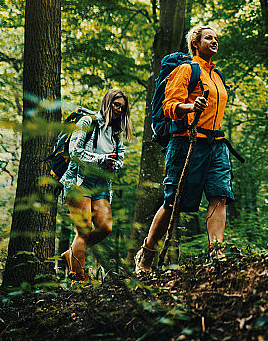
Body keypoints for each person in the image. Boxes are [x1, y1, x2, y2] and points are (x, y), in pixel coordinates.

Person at [134, 24, 234, 273]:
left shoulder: (217, 75)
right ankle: (146, 253)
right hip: (186, 142)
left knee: (219, 194)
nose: (214, 41)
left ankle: (216, 252)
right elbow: (169, 105)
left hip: (216, 144)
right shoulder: (186, 69)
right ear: (195, 44)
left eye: (216, 38)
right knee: (173, 202)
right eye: (208, 38)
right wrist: (190, 108)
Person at [60, 89, 133, 280]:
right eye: (116, 104)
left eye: (122, 107)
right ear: (107, 102)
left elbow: (121, 157)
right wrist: (101, 159)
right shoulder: (88, 122)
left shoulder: (117, 132)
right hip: (78, 182)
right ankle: (79, 278)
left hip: (101, 183)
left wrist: (113, 164)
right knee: (83, 230)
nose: (118, 109)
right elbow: (74, 152)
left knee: (105, 227)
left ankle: (72, 253)